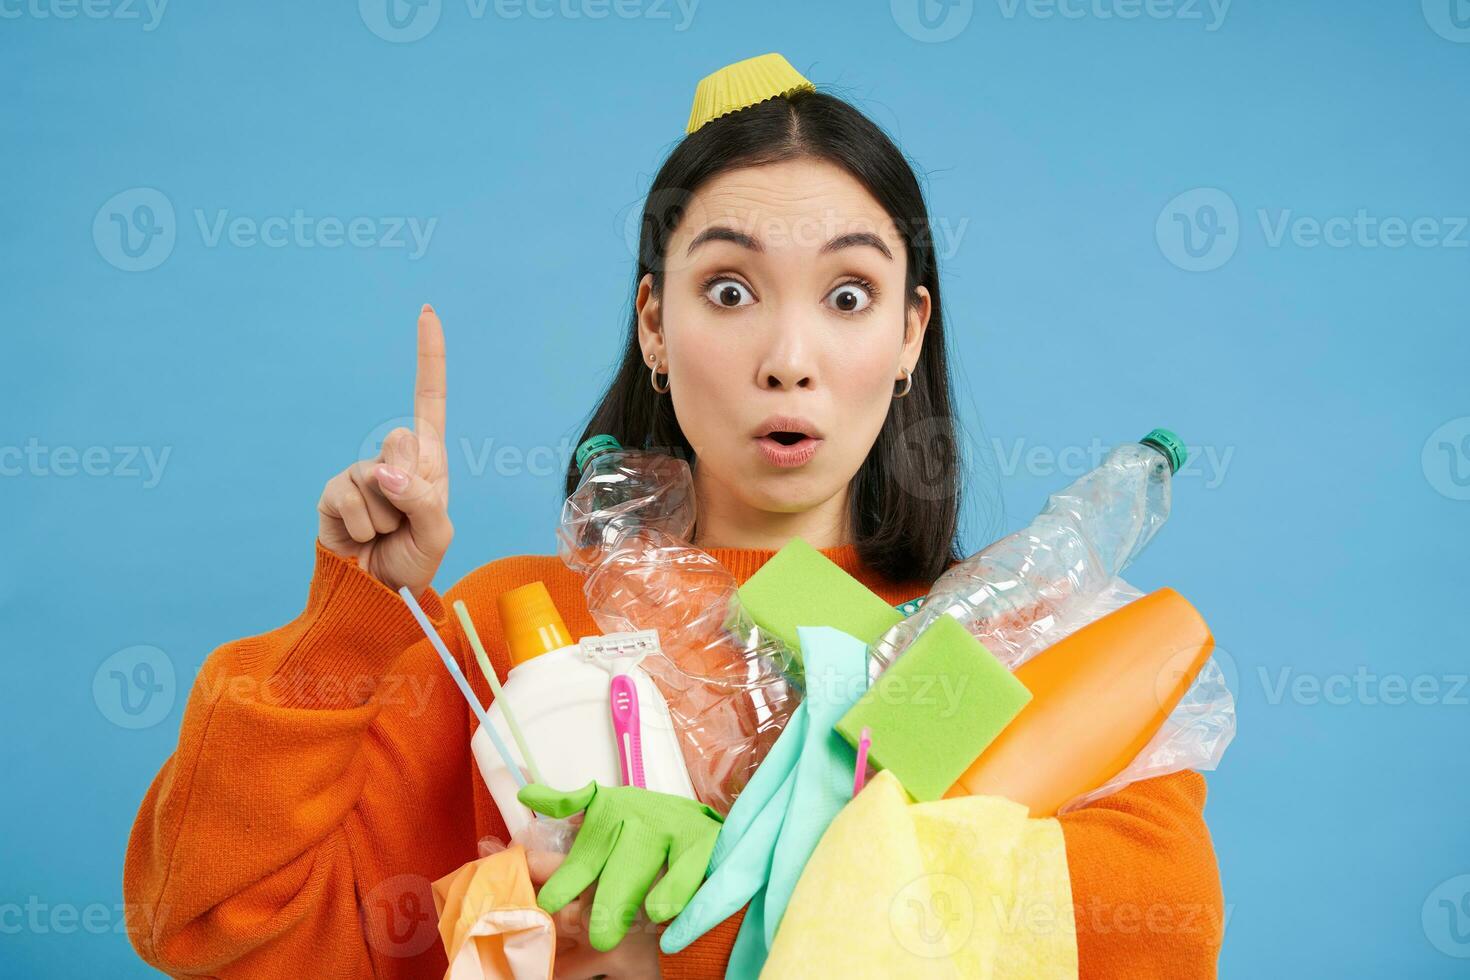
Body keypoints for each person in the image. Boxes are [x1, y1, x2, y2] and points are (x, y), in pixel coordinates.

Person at [124, 55, 1224, 979]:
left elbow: (1163, 931)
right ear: (655, 321)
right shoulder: (512, 627)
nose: (788, 360)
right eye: (730, 290)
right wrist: (361, 605)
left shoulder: (1014, 638)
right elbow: (213, 916)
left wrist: (694, 904)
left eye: (848, 296)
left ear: (907, 336)